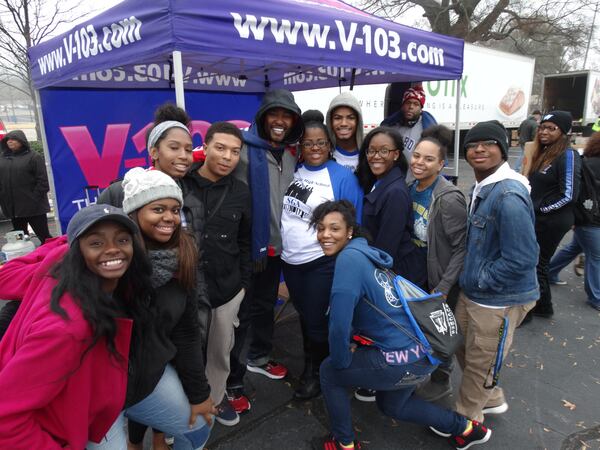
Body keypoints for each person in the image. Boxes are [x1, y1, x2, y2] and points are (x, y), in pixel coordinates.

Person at [311, 200, 492, 450]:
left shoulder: (348, 260)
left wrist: (341, 360)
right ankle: (466, 428)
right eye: (320, 229)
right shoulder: (366, 253)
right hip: (424, 352)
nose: (325, 235)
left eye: (334, 228)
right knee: (393, 405)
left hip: (399, 357)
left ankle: (344, 444)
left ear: (349, 231)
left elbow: (339, 323)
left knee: (330, 372)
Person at [98, 103, 211, 447]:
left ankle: (158, 436)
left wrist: (198, 392)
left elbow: (185, 329)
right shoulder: (111, 256)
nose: (169, 217)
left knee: (199, 427)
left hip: (148, 371)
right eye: (157, 209)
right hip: (98, 381)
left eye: (174, 210)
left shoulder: (183, 253)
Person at [0, 204, 152, 449]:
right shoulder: (67, 329)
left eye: (122, 239)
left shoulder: (104, 283)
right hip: (59, 431)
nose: (113, 249)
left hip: (82, 408)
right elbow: (4, 417)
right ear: (75, 252)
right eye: (96, 243)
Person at [456, 120, 538, 423]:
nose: (479, 149)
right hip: (473, 291)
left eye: (489, 143)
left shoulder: (508, 197)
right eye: (473, 144)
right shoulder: (482, 186)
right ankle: (491, 397)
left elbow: (522, 259)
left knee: (479, 362)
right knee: (465, 348)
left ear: (503, 150)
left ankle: (466, 423)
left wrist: (479, 278)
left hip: (497, 299)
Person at [280, 111, 363, 400]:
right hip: (291, 262)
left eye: (320, 143)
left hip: (321, 262)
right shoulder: (293, 171)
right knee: (305, 317)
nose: (314, 148)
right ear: (300, 147)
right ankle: (319, 366)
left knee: (317, 321)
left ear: (330, 145)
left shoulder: (341, 176)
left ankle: (318, 373)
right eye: (308, 143)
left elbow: (353, 222)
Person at [228, 89, 304, 399]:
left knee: (263, 305)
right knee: (239, 314)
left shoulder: (290, 154)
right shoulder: (242, 149)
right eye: (275, 114)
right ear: (263, 116)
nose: (280, 121)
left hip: (276, 249)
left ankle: (258, 357)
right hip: (247, 248)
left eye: (287, 116)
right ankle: (232, 381)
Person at [181, 122, 252, 426]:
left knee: (220, 351)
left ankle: (217, 399)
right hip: (186, 287)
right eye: (220, 148)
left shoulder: (241, 191)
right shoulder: (182, 183)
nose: (227, 157)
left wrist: (244, 285)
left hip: (227, 288)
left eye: (235, 152)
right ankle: (184, 405)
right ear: (205, 146)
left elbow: (246, 240)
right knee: (186, 349)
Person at [408, 125, 467, 401]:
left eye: (429, 159)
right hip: (420, 272)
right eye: (417, 156)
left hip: (441, 278)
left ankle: (442, 378)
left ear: (441, 164)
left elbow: (461, 247)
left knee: (441, 331)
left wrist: (444, 286)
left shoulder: (448, 198)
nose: (420, 162)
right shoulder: (411, 188)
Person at [525, 111, 581, 319]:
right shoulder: (544, 152)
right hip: (540, 218)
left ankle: (530, 309)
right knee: (538, 262)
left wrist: (540, 210)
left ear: (563, 132)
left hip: (552, 221)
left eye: (551, 128)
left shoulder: (568, 155)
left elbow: (568, 194)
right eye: (542, 127)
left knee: (536, 263)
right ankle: (543, 306)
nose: (544, 132)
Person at [356, 126, 424, 287]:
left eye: (384, 151)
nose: (376, 156)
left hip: (395, 275)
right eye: (371, 151)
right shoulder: (378, 182)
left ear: (396, 155)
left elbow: (386, 249)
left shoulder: (395, 193)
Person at [548, 131, 600, 310]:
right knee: (596, 256)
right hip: (590, 219)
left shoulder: (586, 161)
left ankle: (549, 272)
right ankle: (596, 297)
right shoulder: (590, 164)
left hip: (585, 217)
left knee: (575, 248)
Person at [0, 130, 52, 243]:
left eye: (13, 139)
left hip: (35, 209)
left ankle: (54, 258)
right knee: (20, 240)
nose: (10, 141)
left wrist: (34, 198)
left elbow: (43, 181)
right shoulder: (2, 159)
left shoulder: (34, 157)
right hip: (14, 211)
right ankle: (27, 258)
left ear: (21, 141)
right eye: (7, 139)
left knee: (44, 237)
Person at [380, 85, 437, 167]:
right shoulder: (393, 125)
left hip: (415, 176)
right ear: (402, 105)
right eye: (408, 103)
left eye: (416, 104)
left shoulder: (426, 129)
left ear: (421, 109)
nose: (411, 107)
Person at [326, 92, 364, 172]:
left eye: (350, 118)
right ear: (330, 122)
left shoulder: (369, 154)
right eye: (337, 118)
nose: (344, 123)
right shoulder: (323, 155)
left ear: (358, 121)